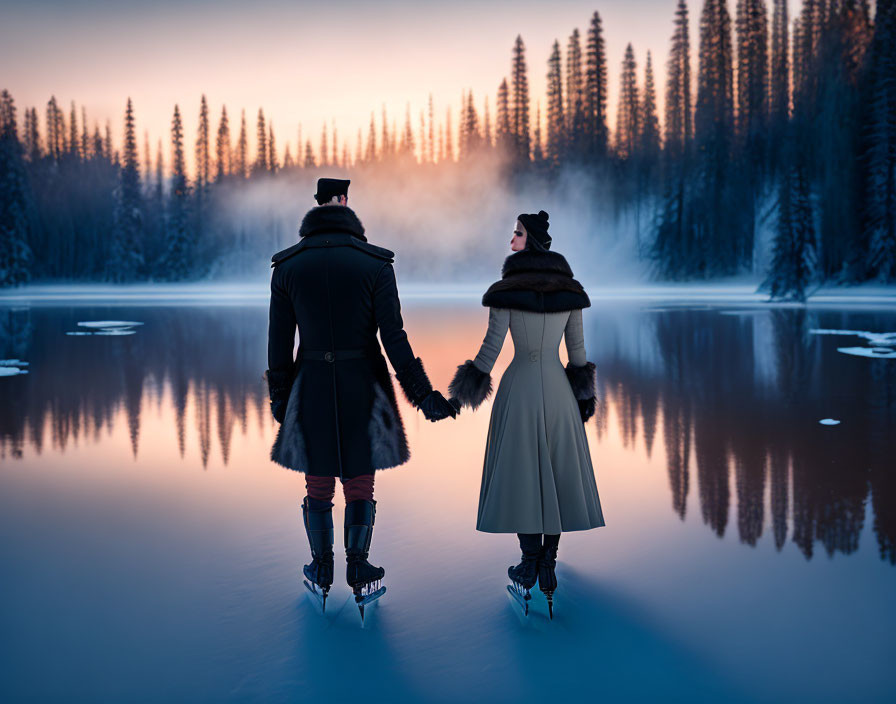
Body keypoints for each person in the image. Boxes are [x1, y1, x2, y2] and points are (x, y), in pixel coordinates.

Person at [266, 177, 456, 613]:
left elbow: (278, 343)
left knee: (318, 478)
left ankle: (321, 567)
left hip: (310, 382)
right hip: (362, 381)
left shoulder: (288, 266)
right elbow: (395, 339)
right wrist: (422, 395)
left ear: (315, 209)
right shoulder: (375, 263)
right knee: (359, 475)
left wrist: (280, 396)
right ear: (346, 205)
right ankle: (359, 566)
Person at [448, 210, 604, 616]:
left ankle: (529, 562)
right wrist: (584, 397)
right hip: (557, 391)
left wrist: (461, 394)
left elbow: (490, 351)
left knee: (522, 474)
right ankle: (549, 566)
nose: (510, 240)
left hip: (518, 389)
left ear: (530, 240)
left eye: (516, 234)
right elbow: (579, 355)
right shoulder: (570, 292)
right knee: (553, 474)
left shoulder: (506, 291)